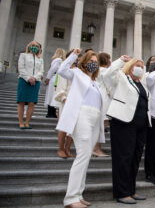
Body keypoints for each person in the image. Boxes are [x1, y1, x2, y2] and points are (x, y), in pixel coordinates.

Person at [57, 49, 106, 208]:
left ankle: (78, 194)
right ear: (84, 62)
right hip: (82, 116)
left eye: (96, 61)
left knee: (86, 158)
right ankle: (70, 198)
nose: (94, 63)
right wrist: (73, 56)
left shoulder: (96, 82)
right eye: (91, 60)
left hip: (95, 118)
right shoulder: (77, 73)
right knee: (82, 156)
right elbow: (62, 70)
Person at [104, 57, 149, 205]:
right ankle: (121, 193)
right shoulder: (121, 78)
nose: (140, 68)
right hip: (123, 123)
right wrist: (121, 60)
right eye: (137, 65)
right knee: (123, 158)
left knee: (135, 158)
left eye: (142, 66)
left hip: (140, 125)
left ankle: (131, 190)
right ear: (130, 67)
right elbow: (107, 75)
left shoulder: (141, 83)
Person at [17, 41, 44, 129]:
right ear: (29, 46)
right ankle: (21, 122)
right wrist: (28, 78)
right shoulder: (23, 55)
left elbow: (41, 71)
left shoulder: (40, 59)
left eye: (36, 46)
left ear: (39, 48)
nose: (34, 47)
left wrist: (35, 78)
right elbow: (21, 68)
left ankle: (27, 122)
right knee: (21, 102)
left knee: (31, 103)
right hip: (24, 81)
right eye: (33, 45)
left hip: (36, 82)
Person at [53, 49, 75, 158]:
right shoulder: (63, 70)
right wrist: (65, 99)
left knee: (73, 128)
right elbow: (61, 89)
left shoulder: (78, 72)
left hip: (77, 102)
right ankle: (61, 148)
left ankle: (67, 148)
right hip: (66, 101)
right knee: (64, 126)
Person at [92, 52, 112, 157]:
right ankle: (96, 148)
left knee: (99, 125)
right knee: (101, 125)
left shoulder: (97, 70)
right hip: (104, 97)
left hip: (98, 96)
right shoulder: (106, 71)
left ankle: (95, 147)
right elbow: (110, 86)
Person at [44, 48, 66, 118]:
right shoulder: (62, 61)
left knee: (50, 95)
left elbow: (52, 69)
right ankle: (52, 112)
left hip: (54, 78)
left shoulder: (57, 60)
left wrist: (47, 78)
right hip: (57, 78)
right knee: (52, 95)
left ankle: (50, 113)